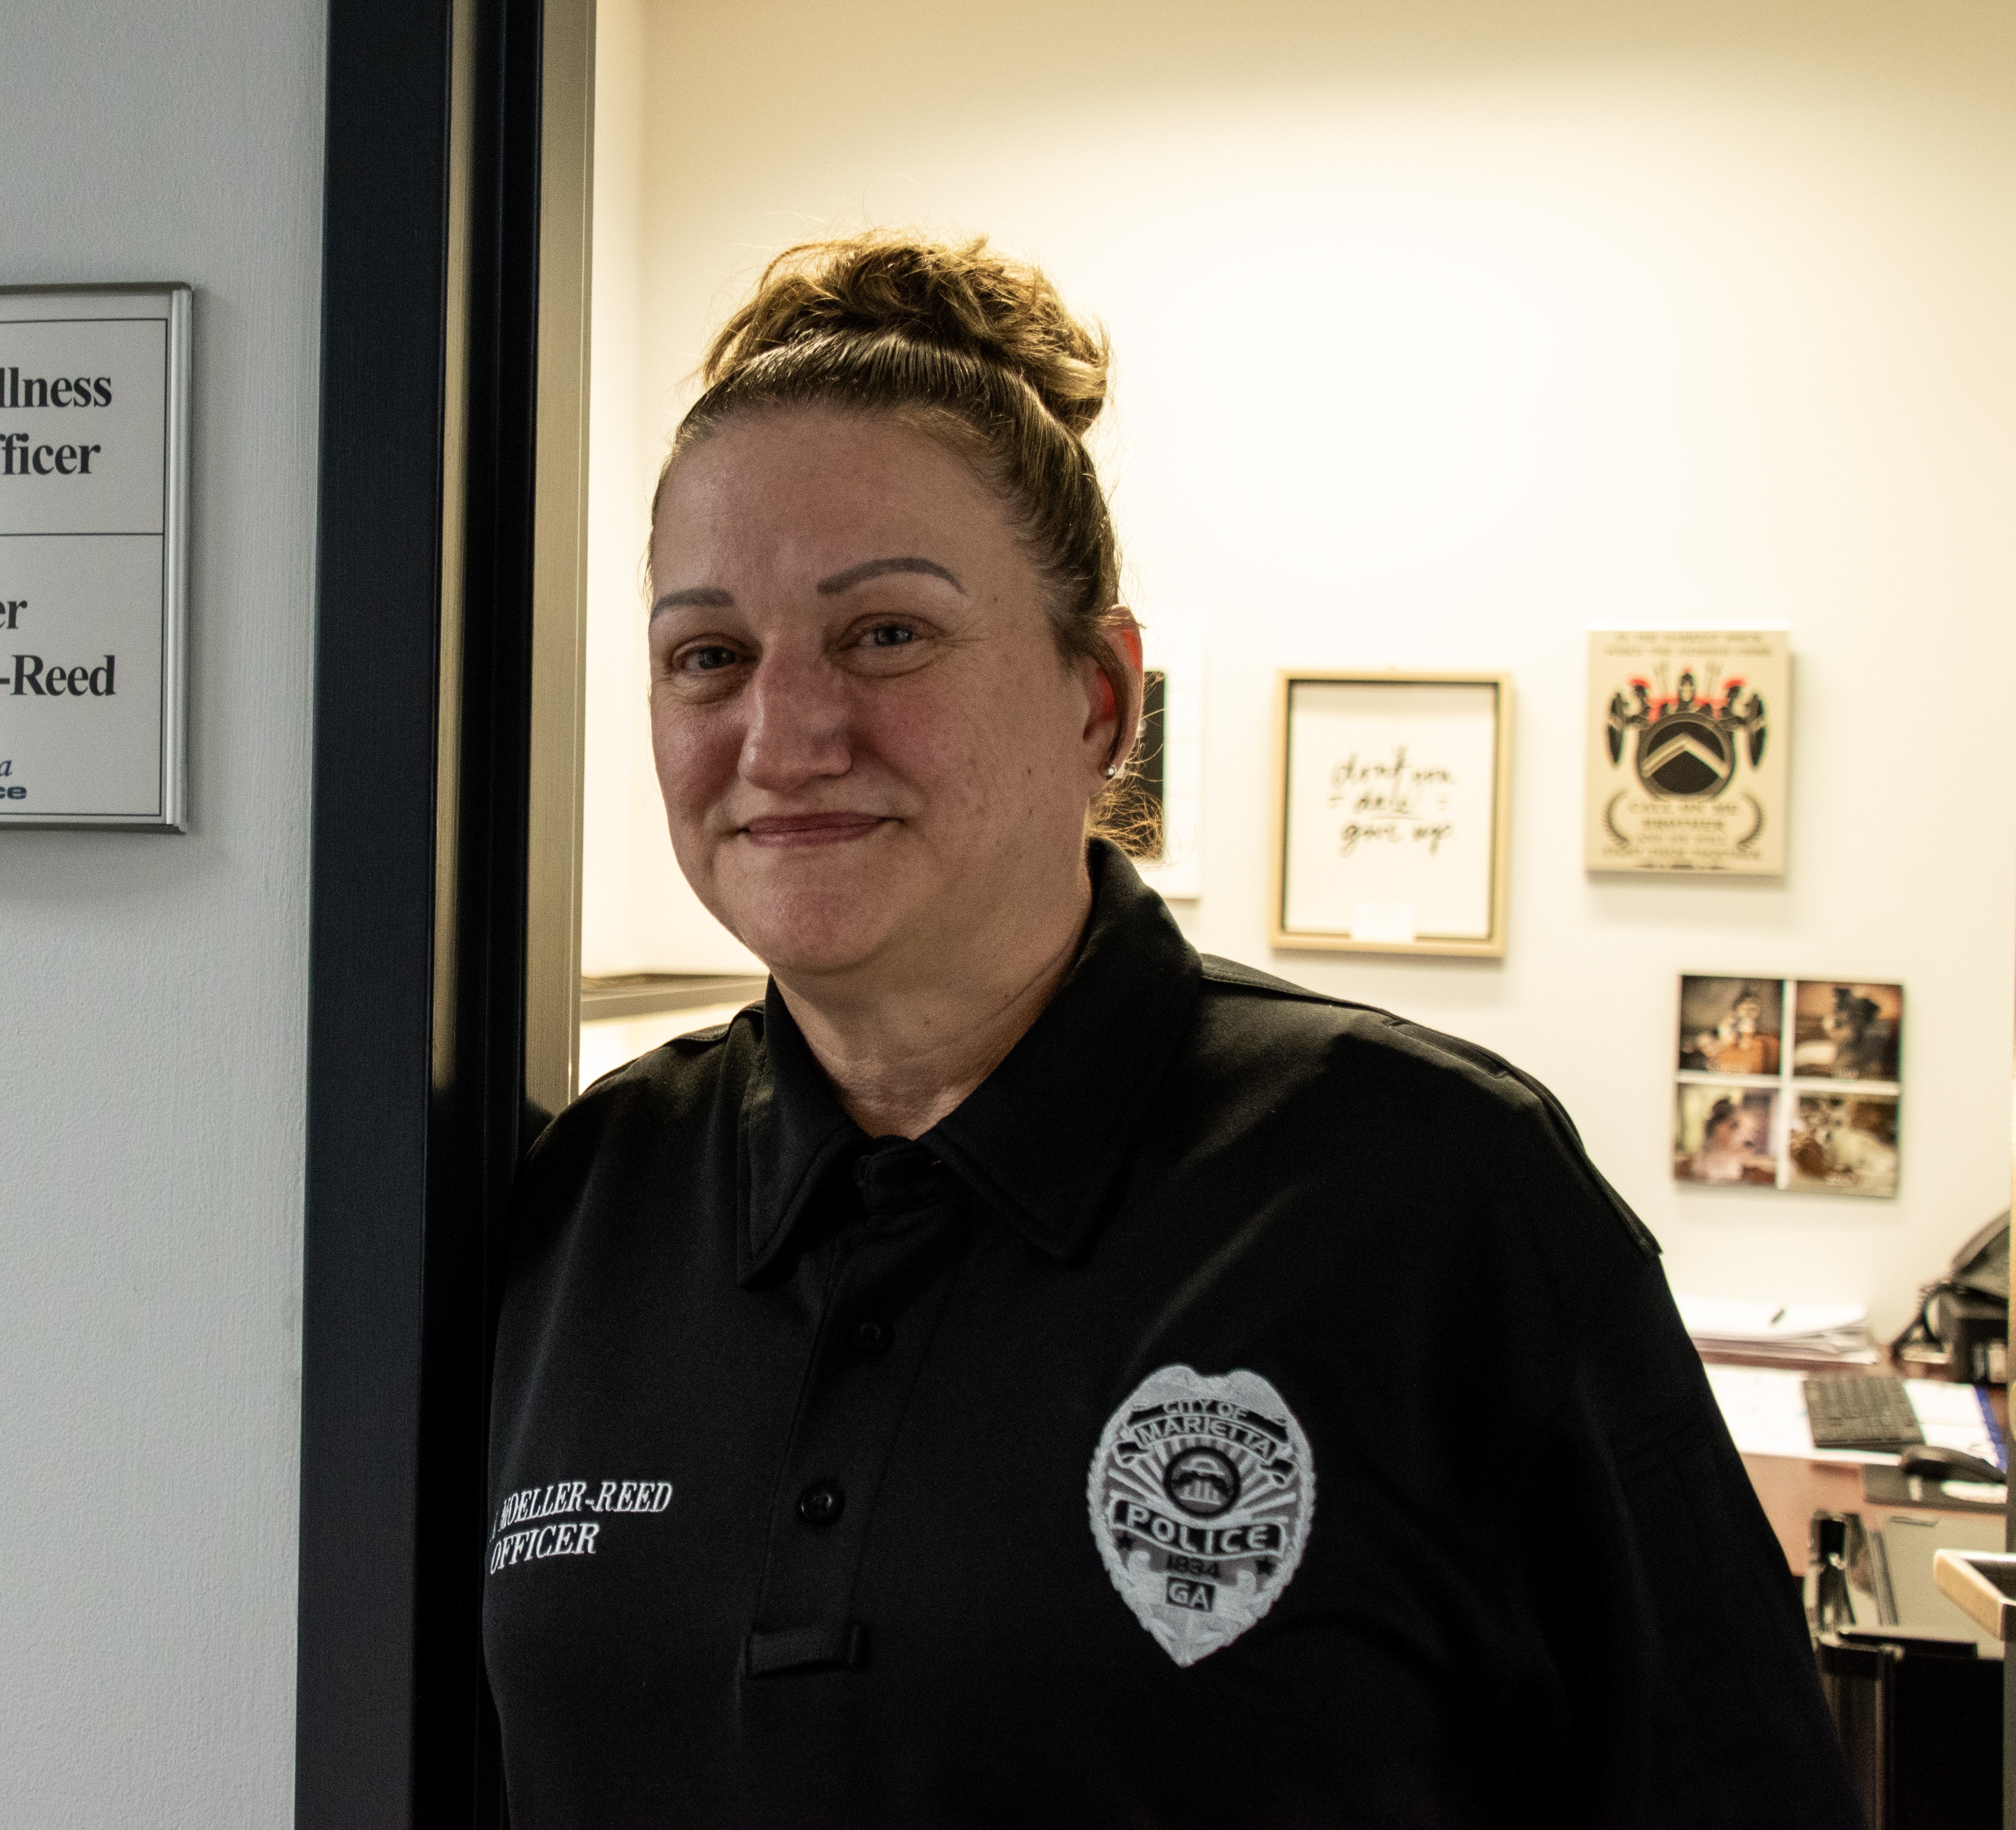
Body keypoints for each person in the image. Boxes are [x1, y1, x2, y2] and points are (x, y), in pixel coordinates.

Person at [483, 234, 1857, 1829]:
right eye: (709, 655)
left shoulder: (1434, 1193)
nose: (786, 733)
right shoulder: (585, 1201)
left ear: (1100, 703)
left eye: (888, 635)